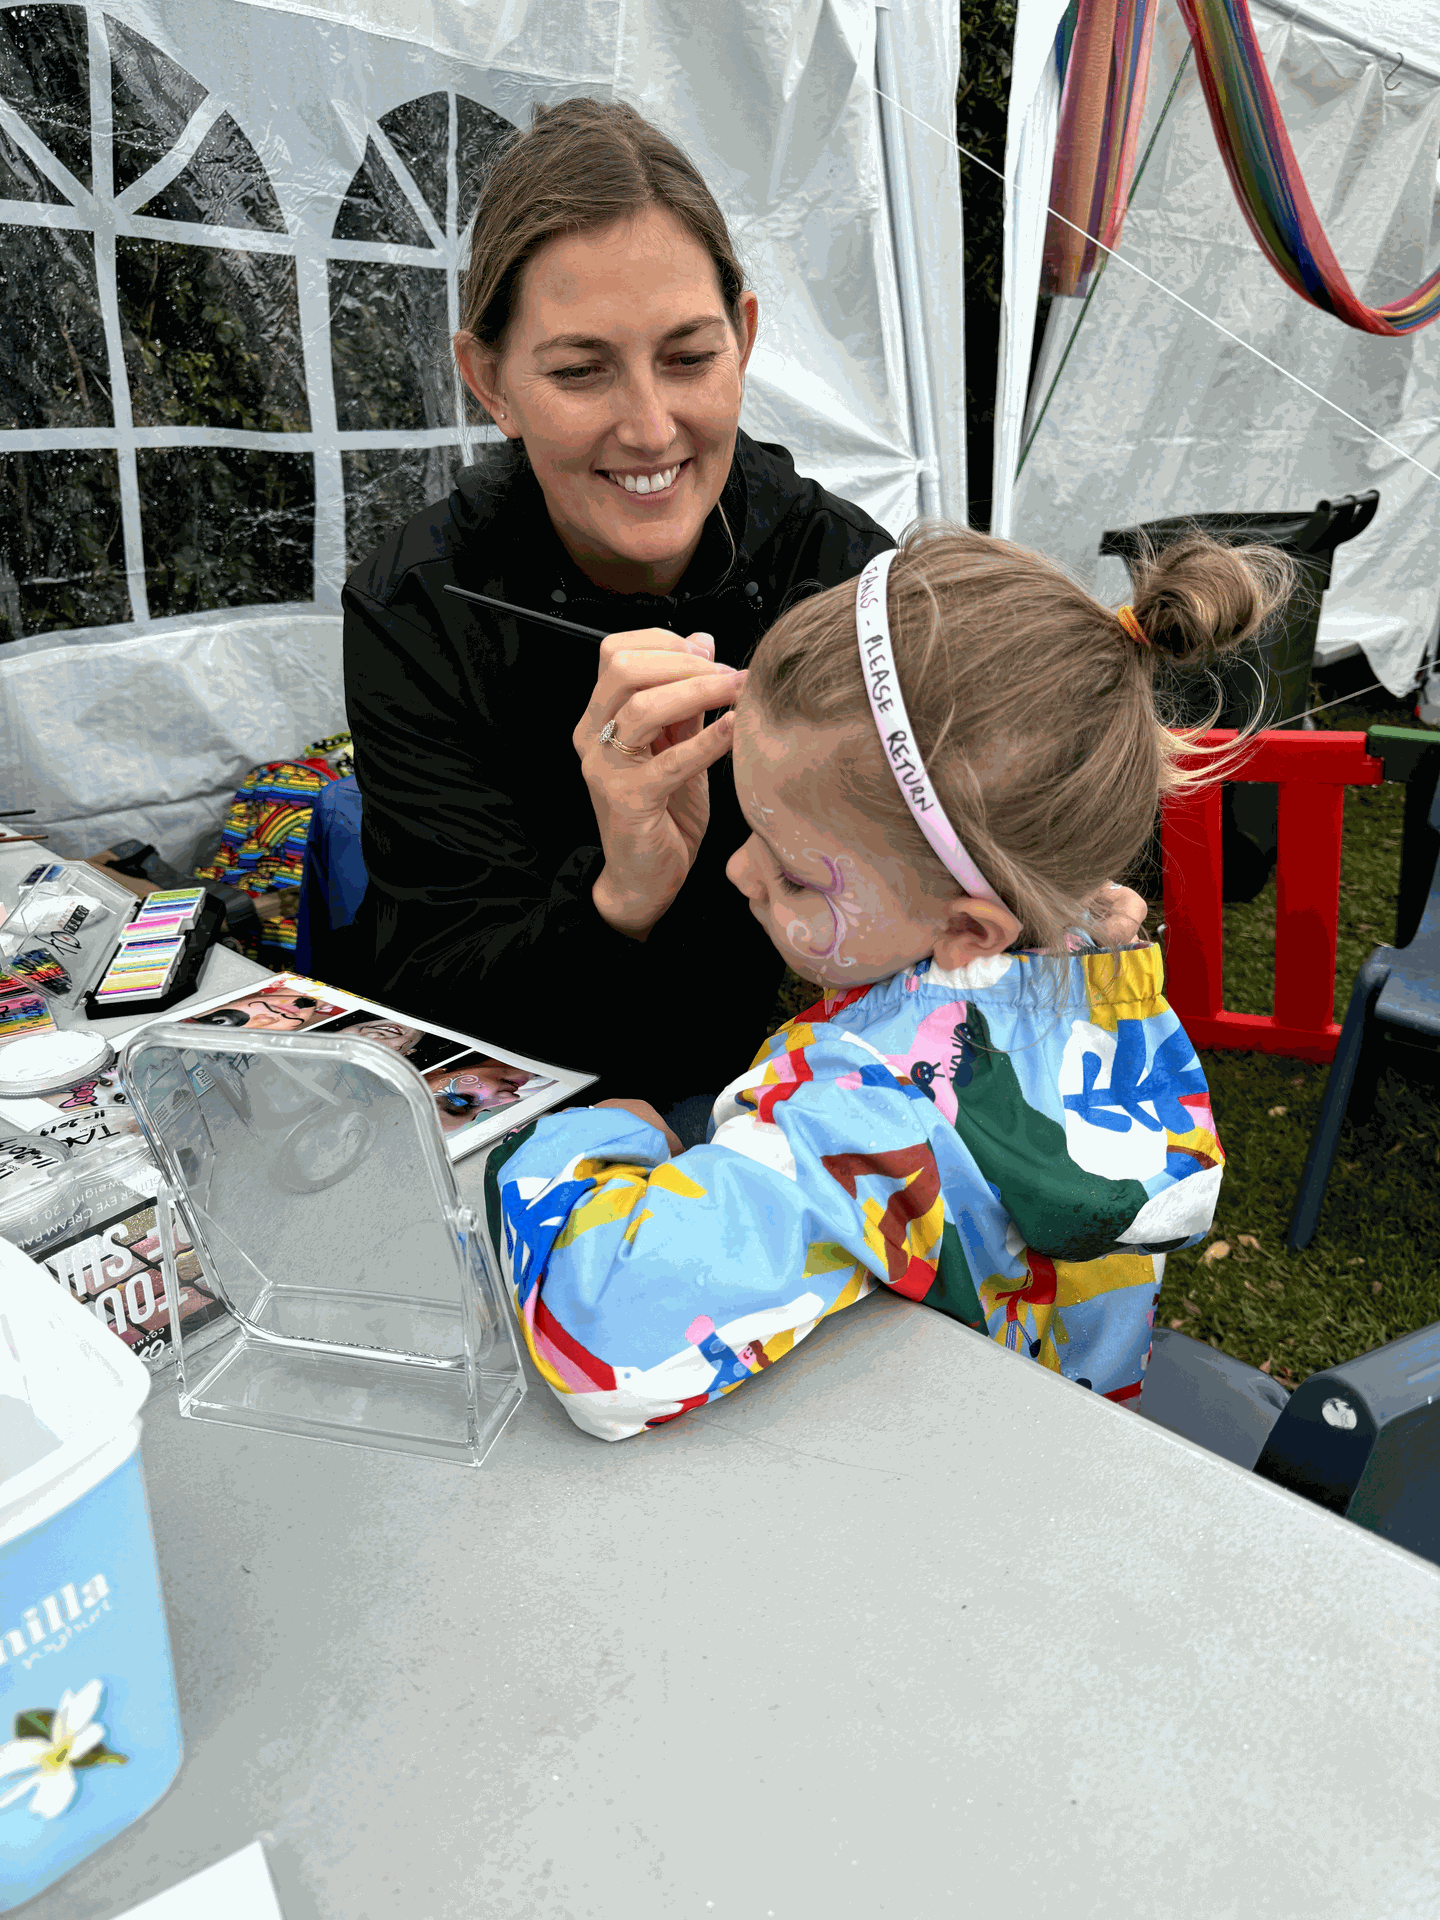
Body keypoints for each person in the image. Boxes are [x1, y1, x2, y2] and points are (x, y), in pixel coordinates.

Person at [481, 523, 1293, 1441]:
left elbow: (605, 1343)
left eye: (794, 873)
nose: (739, 871)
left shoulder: (871, 1114)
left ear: (967, 930)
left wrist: (589, 1142)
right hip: (1067, 1425)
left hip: (925, 1474)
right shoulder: (1085, 969)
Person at [343, 97, 897, 1107]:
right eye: (580, 371)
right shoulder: (422, 603)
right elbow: (434, 999)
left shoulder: (842, 574)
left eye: (689, 358)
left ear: (744, 337)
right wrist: (620, 893)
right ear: (490, 383)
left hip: (788, 1103)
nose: (648, 428)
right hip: (544, 1111)